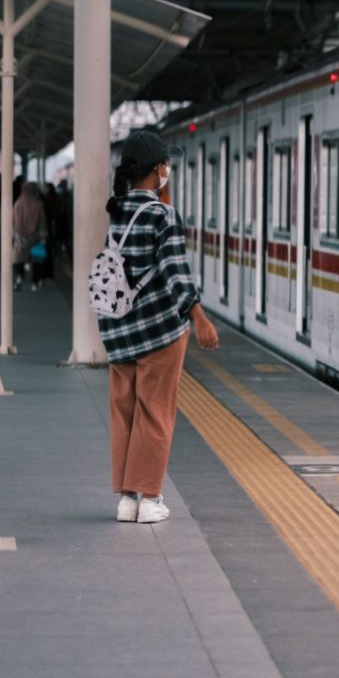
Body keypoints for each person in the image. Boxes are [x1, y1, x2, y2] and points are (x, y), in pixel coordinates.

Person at [98, 131, 219, 524]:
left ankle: (126, 499)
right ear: (157, 169)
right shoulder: (162, 214)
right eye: (166, 163)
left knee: (125, 412)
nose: (169, 169)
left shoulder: (117, 212)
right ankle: (150, 499)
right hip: (158, 333)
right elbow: (175, 271)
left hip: (119, 332)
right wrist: (198, 316)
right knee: (155, 411)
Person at [12, 181, 47, 291]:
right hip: (34, 237)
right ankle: (34, 283)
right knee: (36, 260)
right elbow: (42, 222)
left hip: (19, 237)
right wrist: (43, 237)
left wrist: (13, 236)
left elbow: (13, 221)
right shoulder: (38, 204)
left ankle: (19, 279)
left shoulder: (17, 203)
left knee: (18, 260)